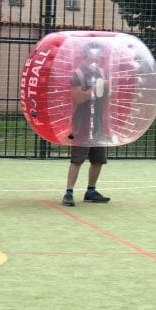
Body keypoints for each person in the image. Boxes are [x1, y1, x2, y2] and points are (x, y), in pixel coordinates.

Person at [61, 41, 111, 207]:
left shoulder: (101, 72)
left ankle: (91, 191)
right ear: (87, 53)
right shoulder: (79, 74)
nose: (98, 55)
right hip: (81, 122)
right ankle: (68, 193)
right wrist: (96, 89)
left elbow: (103, 97)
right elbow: (78, 98)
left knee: (98, 159)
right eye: (95, 52)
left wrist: (106, 88)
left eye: (100, 52)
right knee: (77, 159)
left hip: (97, 122)